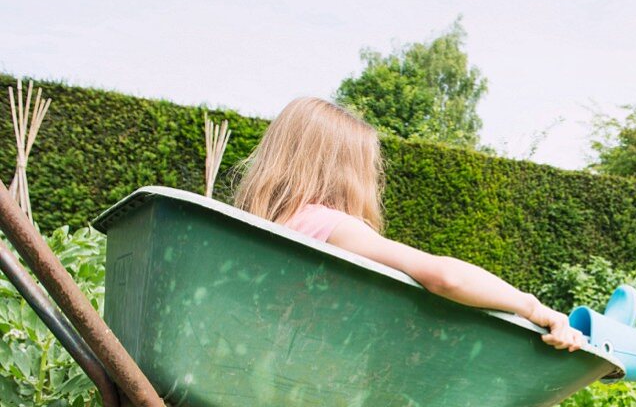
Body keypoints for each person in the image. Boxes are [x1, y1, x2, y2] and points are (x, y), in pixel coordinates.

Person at [233, 97, 586, 351]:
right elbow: (446, 277)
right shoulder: (331, 227)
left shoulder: (260, 229)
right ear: (349, 173)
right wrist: (533, 307)